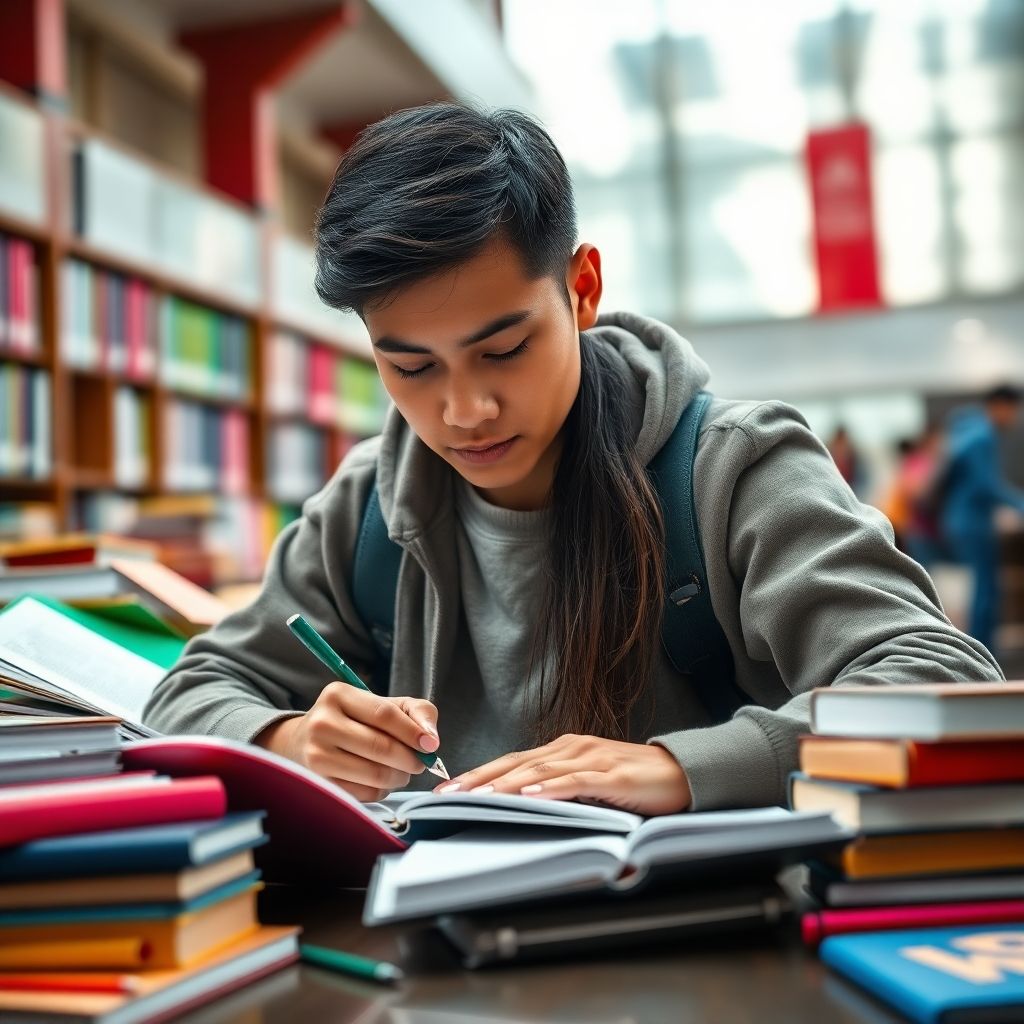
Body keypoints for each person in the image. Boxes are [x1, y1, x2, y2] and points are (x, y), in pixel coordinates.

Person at [143, 104, 1001, 815]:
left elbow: (942, 679)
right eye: (411, 368)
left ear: (582, 289)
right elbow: (188, 695)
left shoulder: (732, 470)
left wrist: (680, 770)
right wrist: (290, 740)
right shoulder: (369, 503)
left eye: (504, 349)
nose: (464, 410)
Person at [940, 385, 1024, 655]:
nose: (1014, 418)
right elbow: (985, 485)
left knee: (981, 587)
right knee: (985, 589)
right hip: (973, 522)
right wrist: (1020, 503)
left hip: (961, 519)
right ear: (1001, 406)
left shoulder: (966, 431)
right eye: (1014, 410)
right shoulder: (983, 436)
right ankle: (982, 654)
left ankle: (981, 651)